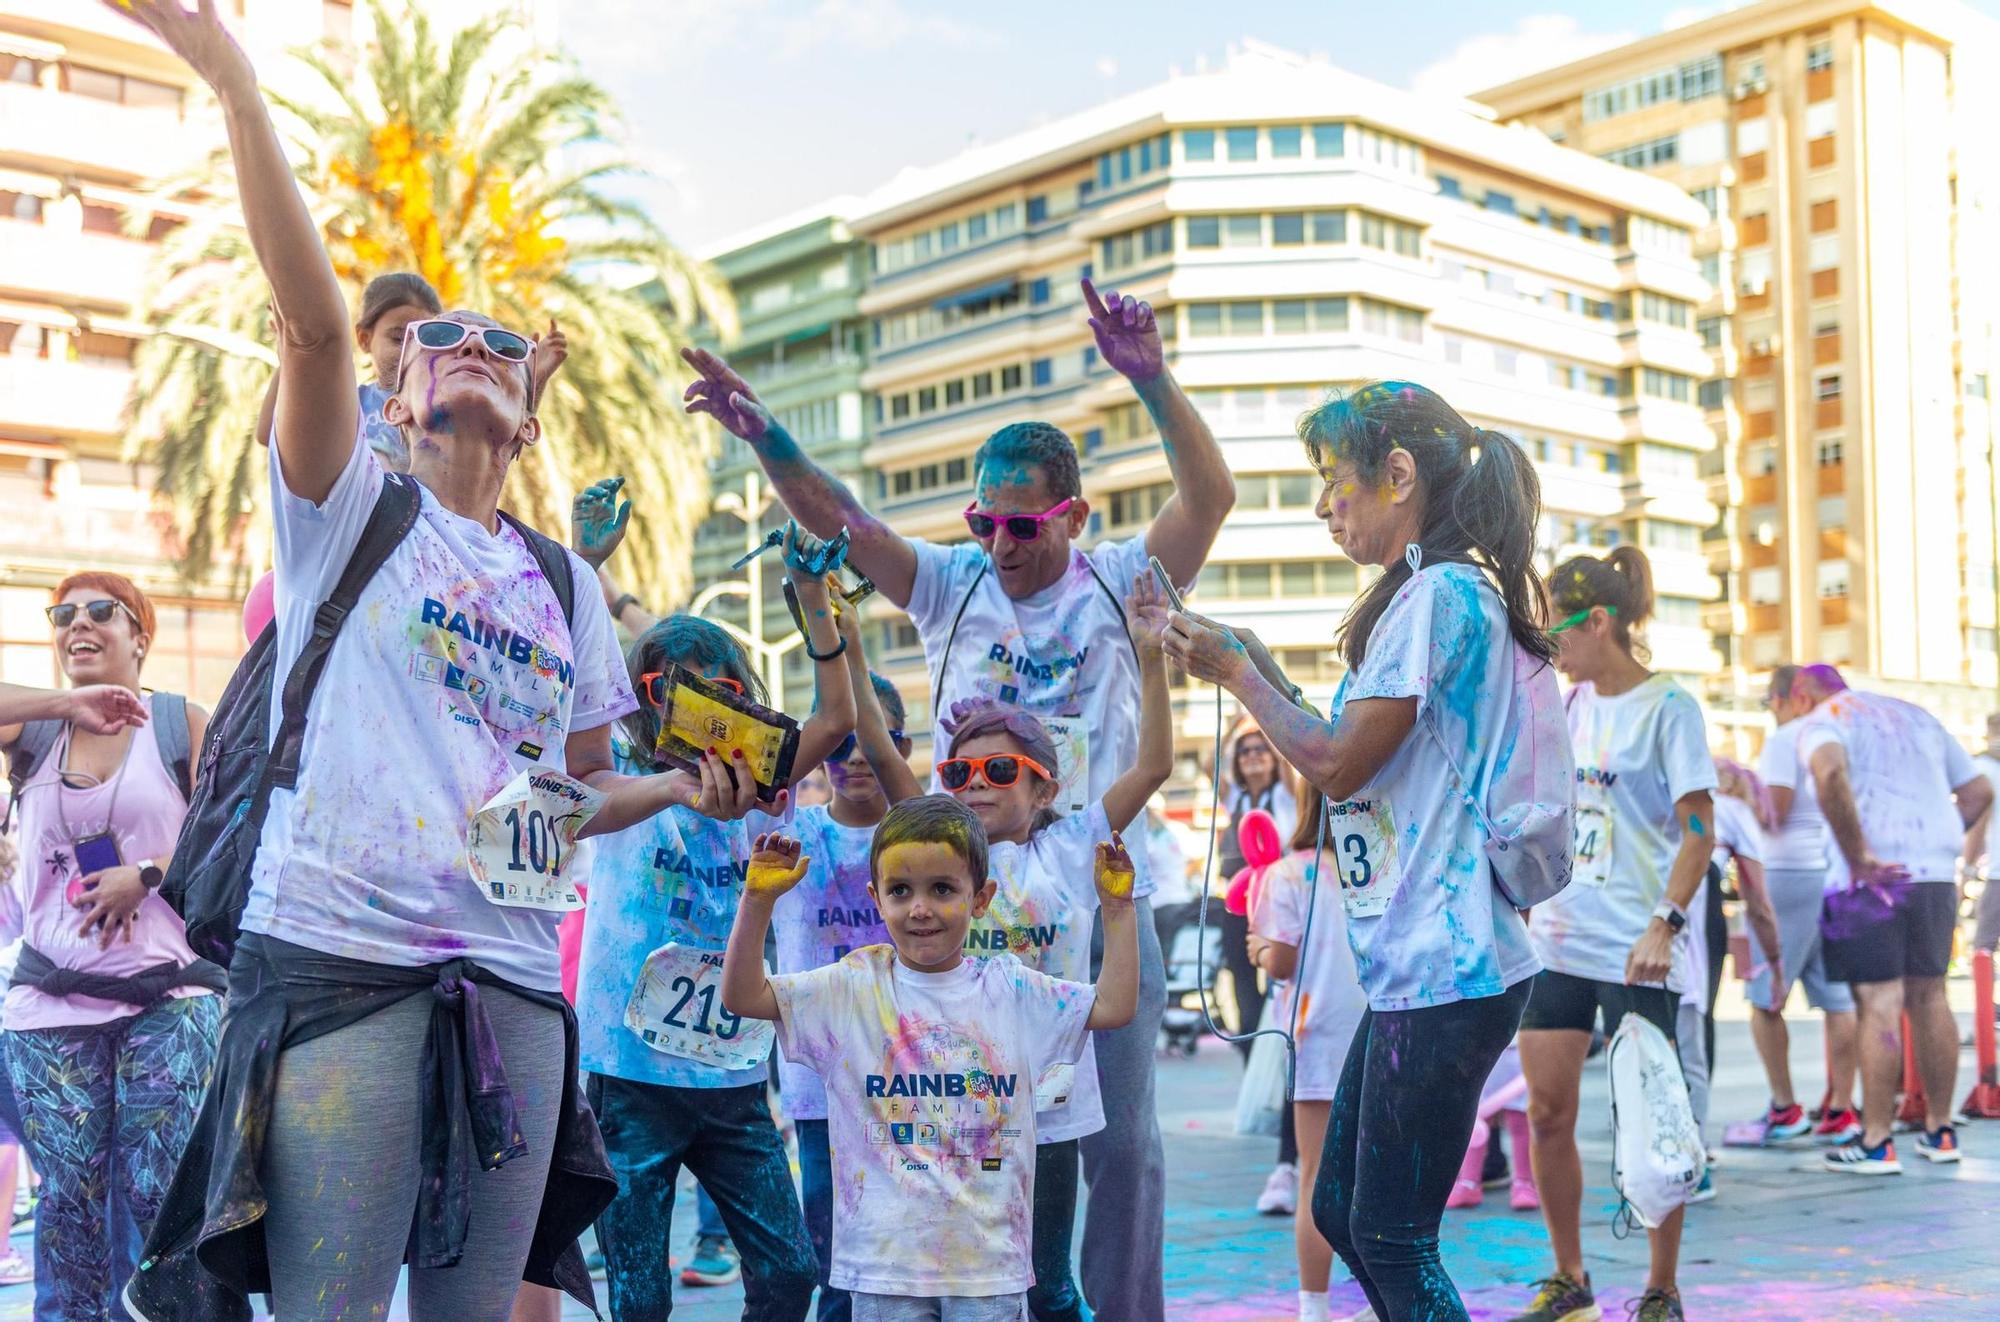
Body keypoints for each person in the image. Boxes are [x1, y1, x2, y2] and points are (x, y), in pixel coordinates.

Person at [109, 6, 763, 1319]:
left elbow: (574, 786)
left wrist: (681, 788)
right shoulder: (351, 510)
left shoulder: (567, 582)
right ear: (394, 398)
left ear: (530, 412)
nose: (471, 341)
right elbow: (307, 332)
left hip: (513, 980)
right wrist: (234, 78)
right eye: (438, 337)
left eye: (503, 340)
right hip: (347, 960)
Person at [685, 277, 1234, 1322]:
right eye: (982, 518)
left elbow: (1207, 497)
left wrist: (1150, 379)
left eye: (1022, 523)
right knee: (967, 1129)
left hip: (1087, 892)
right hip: (972, 912)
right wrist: (765, 436)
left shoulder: (1121, 577)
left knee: (1116, 1145)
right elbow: (842, 521)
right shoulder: (952, 583)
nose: (999, 542)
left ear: (1070, 513)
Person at [1162, 381, 1565, 1322]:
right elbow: (1369, 754)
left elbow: (1337, 765)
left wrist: (1234, 673)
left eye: (1332, 480)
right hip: (1424, 962)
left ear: (1397, 475)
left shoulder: (1439, 595)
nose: (1323, 504)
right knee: (1343, 1207)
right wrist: (1254, 662)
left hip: (1447, 962)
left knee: (1387, 1231)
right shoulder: (1444, 594)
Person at [858, 573, 1171, 1322]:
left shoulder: (1071, 847)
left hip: (1049, 1104)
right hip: (956, 1107)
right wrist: (834, 628)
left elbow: (1154, 765)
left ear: (1044, 786)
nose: (976, 784)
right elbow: (874, 742)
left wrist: (1152, 654)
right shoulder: (942, 851)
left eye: (1000, 770)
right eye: (960, 772)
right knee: (968, 1280)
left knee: (1048, 1284)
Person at [719, 797, 1141, 1322]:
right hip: (885, 1266)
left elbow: (1114, 1006)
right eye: (901, 891)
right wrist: (756, 901)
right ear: (876, 898)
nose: (920, 908)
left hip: (987, 1265)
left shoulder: (1010, 988)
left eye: (943, 889)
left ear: (981, 897)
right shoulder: (851, 987)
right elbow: (741, 997)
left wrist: (1119, 910)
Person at [577, 567, 854, 1321]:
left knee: (791, 1273)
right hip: (629, 1075)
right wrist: (588, 575)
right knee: (638, 1299)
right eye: (667, 692)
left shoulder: (769, 784)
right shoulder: (620, 776)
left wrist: (816, 603)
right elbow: (580, 784)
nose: (695, 713)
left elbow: (834, 719)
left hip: (731, 1075)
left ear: (744, 695)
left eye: (717, 693)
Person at [0, 577, 220, 1322]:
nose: (79, 624)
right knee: (68, 1207)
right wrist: (63, 703)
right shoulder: (33, 733)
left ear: (141, 636)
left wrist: (148, 876)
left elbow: (235, 835)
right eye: (63, 614)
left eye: (102, 611)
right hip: (50, 1011)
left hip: (169, 1000)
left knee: (162, 1196)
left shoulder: (179, 723)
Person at [1513, 546, 1712, 1322]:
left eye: (1558, 631)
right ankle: (1572, 1276)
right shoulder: (1570, 704)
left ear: (1599, 620)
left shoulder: (1670, 709)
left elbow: (1699, 829)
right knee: (1545, 1112)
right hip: (1561, 941)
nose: (1552, 649)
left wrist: (1666, 923)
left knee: (1651, 1124)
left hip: (1637, 949)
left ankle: (1661, 1288)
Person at [1797, 665, 1993, 1173]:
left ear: (1801, 694)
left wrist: (1859, 855)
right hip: (1931, 873)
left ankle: (1878, 1140)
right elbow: (1977, 793)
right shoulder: (1918, 717)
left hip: (1869, 880)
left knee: (1879, 1001)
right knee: (1930, 995)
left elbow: (1829, 773)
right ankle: (1941, 1131)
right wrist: (1937, 838)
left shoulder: (1823, 719)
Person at [769, 606, 907, 1320]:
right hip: (819, 1083)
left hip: (915, 1080)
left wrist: (850, 648)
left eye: (872, 742)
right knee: (829, 1254)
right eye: (840, 743)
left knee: (903, 1245)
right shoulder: (791, 834)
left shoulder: (923, 836)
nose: (854, 757)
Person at [1246, 793, 1367, 1322]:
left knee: (1315, 1174)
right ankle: (1382, 1297)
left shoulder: (1288, 874)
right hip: (1383, 1026)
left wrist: (1258, 948)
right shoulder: (1384, 859)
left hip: (1316, 1033)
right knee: (1377, 1175)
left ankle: (1314, 1307)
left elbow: (1282, 962)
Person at [256, 273, 569, 472]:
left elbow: (500, 442)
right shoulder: (350, 403)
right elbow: (271, 432)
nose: (408, 348)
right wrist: (291, 351)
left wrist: (532, 379)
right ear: (364, 338)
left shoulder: (439, 409)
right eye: (397, 337)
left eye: (433, 338)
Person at [1745, 665, 1860, 1143]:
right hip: (1831, 873)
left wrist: (1736, 789)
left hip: (1787, 872)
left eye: (1771, 702)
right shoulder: (1835, 737)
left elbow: (1775, 813)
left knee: (1765, 997)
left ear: (1786, 698)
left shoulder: (1784, 739)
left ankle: (1784, 1108)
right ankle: (1841, 1110)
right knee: (1838, 998)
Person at [1688, 760, 1782, 1200]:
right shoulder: (1732, 811)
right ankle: (1692, 1150)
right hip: (1692, 903)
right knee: (1695, 1020)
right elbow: (1757, 899)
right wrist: (1776, 962)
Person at [1964, 714, 2000, 982]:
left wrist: (1966, 866)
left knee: (1984, 946)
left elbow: (1978, 821)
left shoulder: (1984, 767)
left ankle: (1991, 1015)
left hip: (1998, 873)